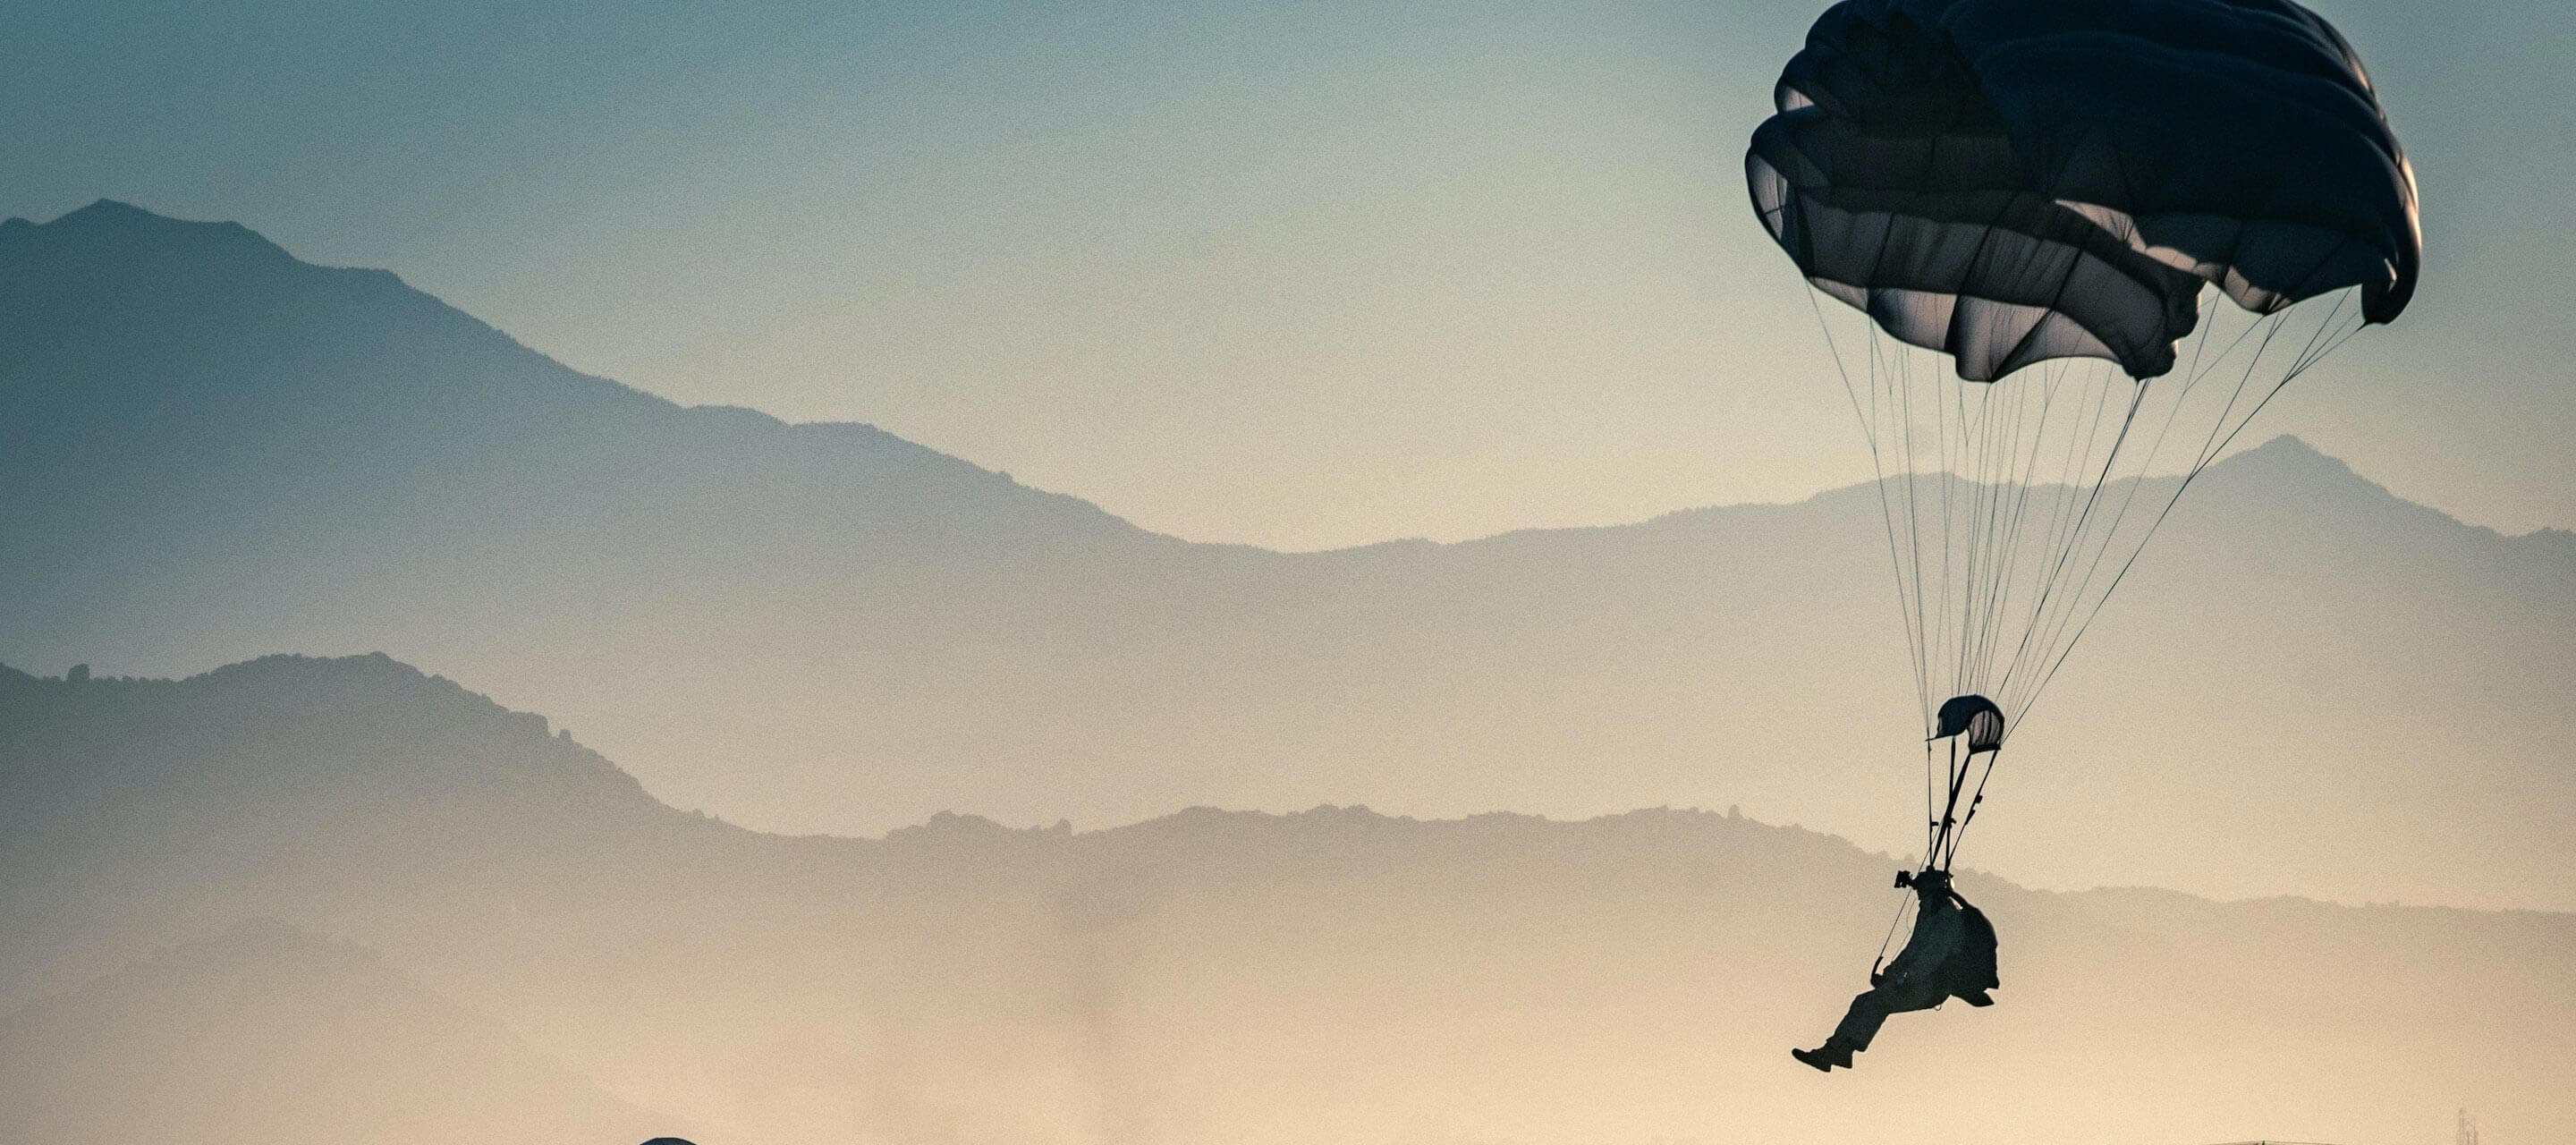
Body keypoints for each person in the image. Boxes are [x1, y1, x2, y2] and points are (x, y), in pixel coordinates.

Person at [1792, 868, 1997, 1072]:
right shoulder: (1930, 913)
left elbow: (1933, 954)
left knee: (1877, 1001)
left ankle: (1837, 1051)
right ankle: (1839, 1050)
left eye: (1922, 890)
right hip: (1924, 982)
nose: (1919, 895)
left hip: (1934, 986)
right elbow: (1912, 950)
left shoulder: (1946, 917)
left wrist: (1907, 980)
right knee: (1864, 1001)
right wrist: (1891, 975)